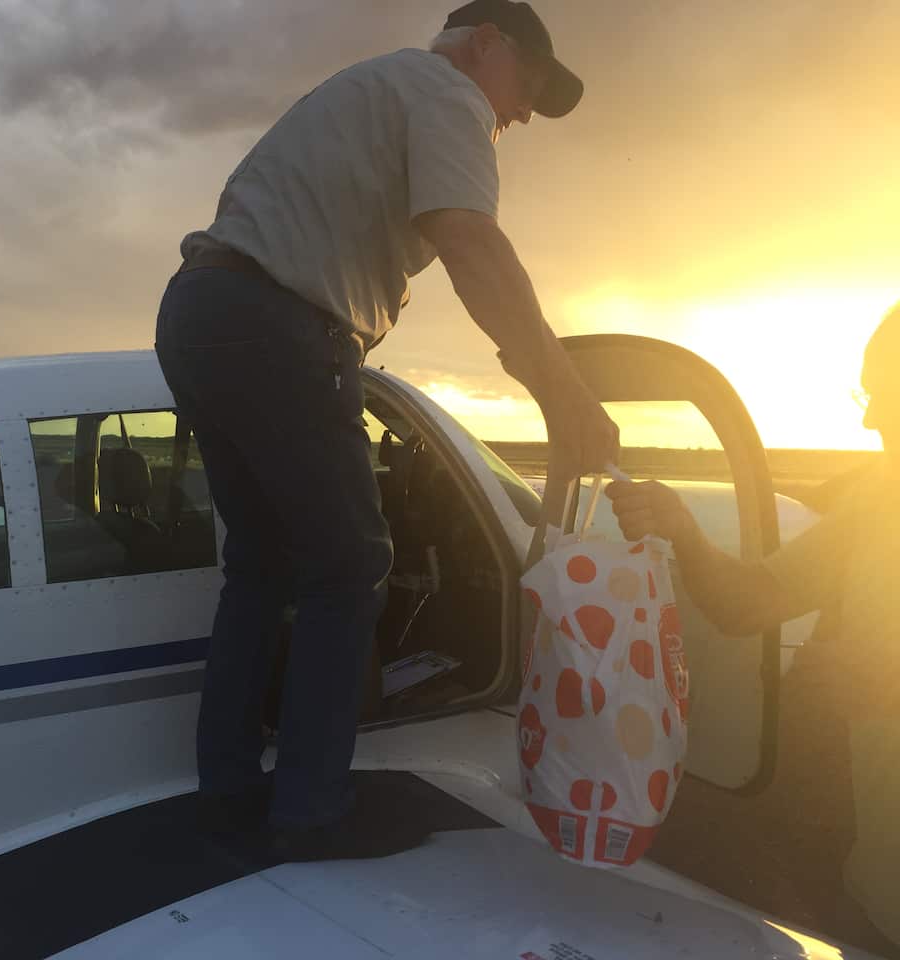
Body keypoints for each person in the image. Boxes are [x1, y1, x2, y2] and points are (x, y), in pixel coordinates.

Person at [155, 0, 619, 859]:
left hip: (200, 309)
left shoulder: (367, 87)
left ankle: (228, 791)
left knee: (261, 565)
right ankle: (311, 812)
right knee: (350, 567)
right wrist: (565, 394)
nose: (522, 112)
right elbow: (470, 242)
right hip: (279, 326)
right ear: (485, 45)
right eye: (528, 84)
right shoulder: (447, 93)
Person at [606, 302, 900, 955]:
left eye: (888, 393)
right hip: (876, 893)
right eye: (867, 394)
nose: (869, 418)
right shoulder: (877, 500)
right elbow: (747, 604)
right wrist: (683, 530)